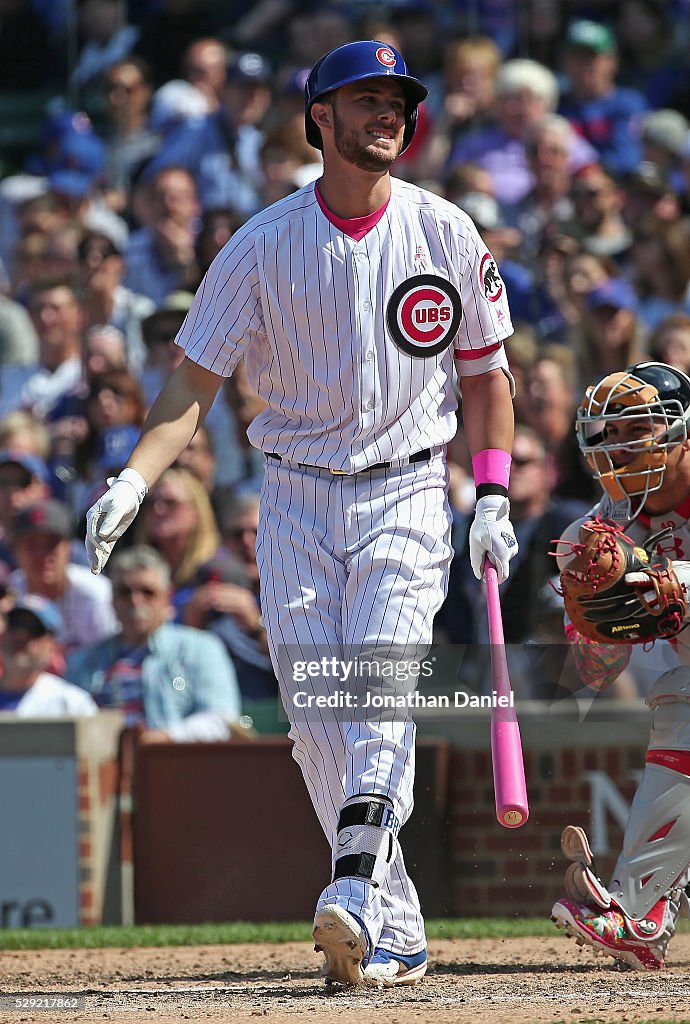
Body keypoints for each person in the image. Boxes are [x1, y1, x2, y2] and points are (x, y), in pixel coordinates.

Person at [84, 40, 518, 988]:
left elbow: (488, 380)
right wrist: (133, 478)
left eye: (397, 102)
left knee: (376, 691)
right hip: (292, 495)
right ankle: (392, 926)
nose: (388, 116)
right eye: (366, 100)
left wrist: (491, 491)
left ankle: (354, 886)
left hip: (408, 487)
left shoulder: (445, 230)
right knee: (318, 717)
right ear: (319, 116)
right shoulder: (262, 242)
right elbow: (192, 382)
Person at [550, 360, 690, 970]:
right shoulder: (597, 532)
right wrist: (599, 626)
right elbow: (589, 674)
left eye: (637, 428)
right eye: (608, 433)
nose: (620, 446)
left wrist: (680, 583)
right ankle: (642, 911)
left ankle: (643, 907)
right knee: (679, 698)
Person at [66, 545, 241, 742]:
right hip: (102, 765)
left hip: (172, 763)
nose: (135, 601)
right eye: (124, 592)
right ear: (112, 599)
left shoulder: (202, 649)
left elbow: (222, 720)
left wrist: (163, 738)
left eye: (147, 592)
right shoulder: (83, 660)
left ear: (167, 597)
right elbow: (66, 725)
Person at [0, 595, 97, 717]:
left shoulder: (72, 703)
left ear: (53, 646)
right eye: (14, 625)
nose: (20, 635)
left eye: (34, 630)